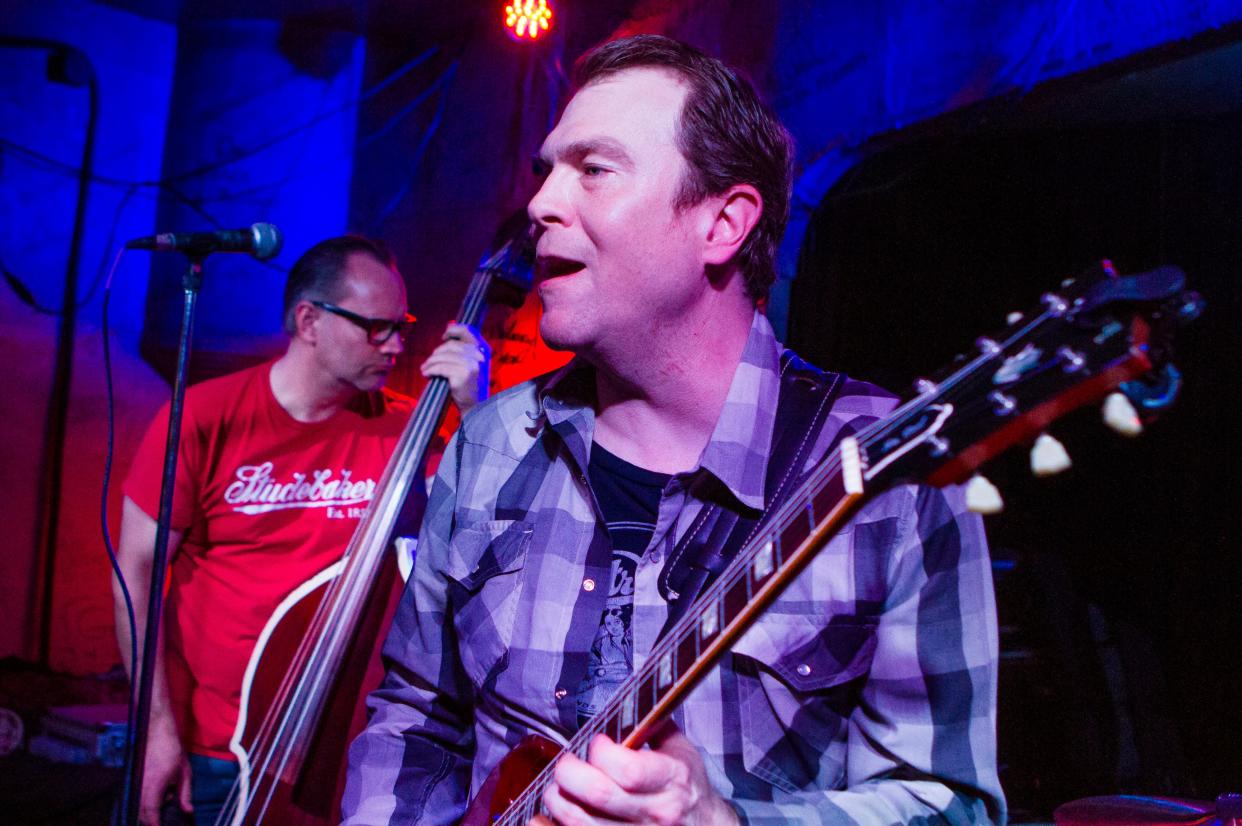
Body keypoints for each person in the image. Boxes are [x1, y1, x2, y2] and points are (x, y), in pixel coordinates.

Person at [343, 35, 1005, 825]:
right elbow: (415, 717)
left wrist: (725, 823)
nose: (542, 204)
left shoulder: (891, 474)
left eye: (593, 169)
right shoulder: (490, 445)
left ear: (722, 223)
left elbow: (949, 804)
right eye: (548, 170)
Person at [113, 235, 490, 826]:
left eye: (403, 325)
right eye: (376, 328)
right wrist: (154, 728)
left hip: (337, 754)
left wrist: (475, 413)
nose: (397, 345)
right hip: (209, 750)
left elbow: (484, 536)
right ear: (309, 320)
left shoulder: (406, 434)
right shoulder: (205, 418)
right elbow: (136, 576)